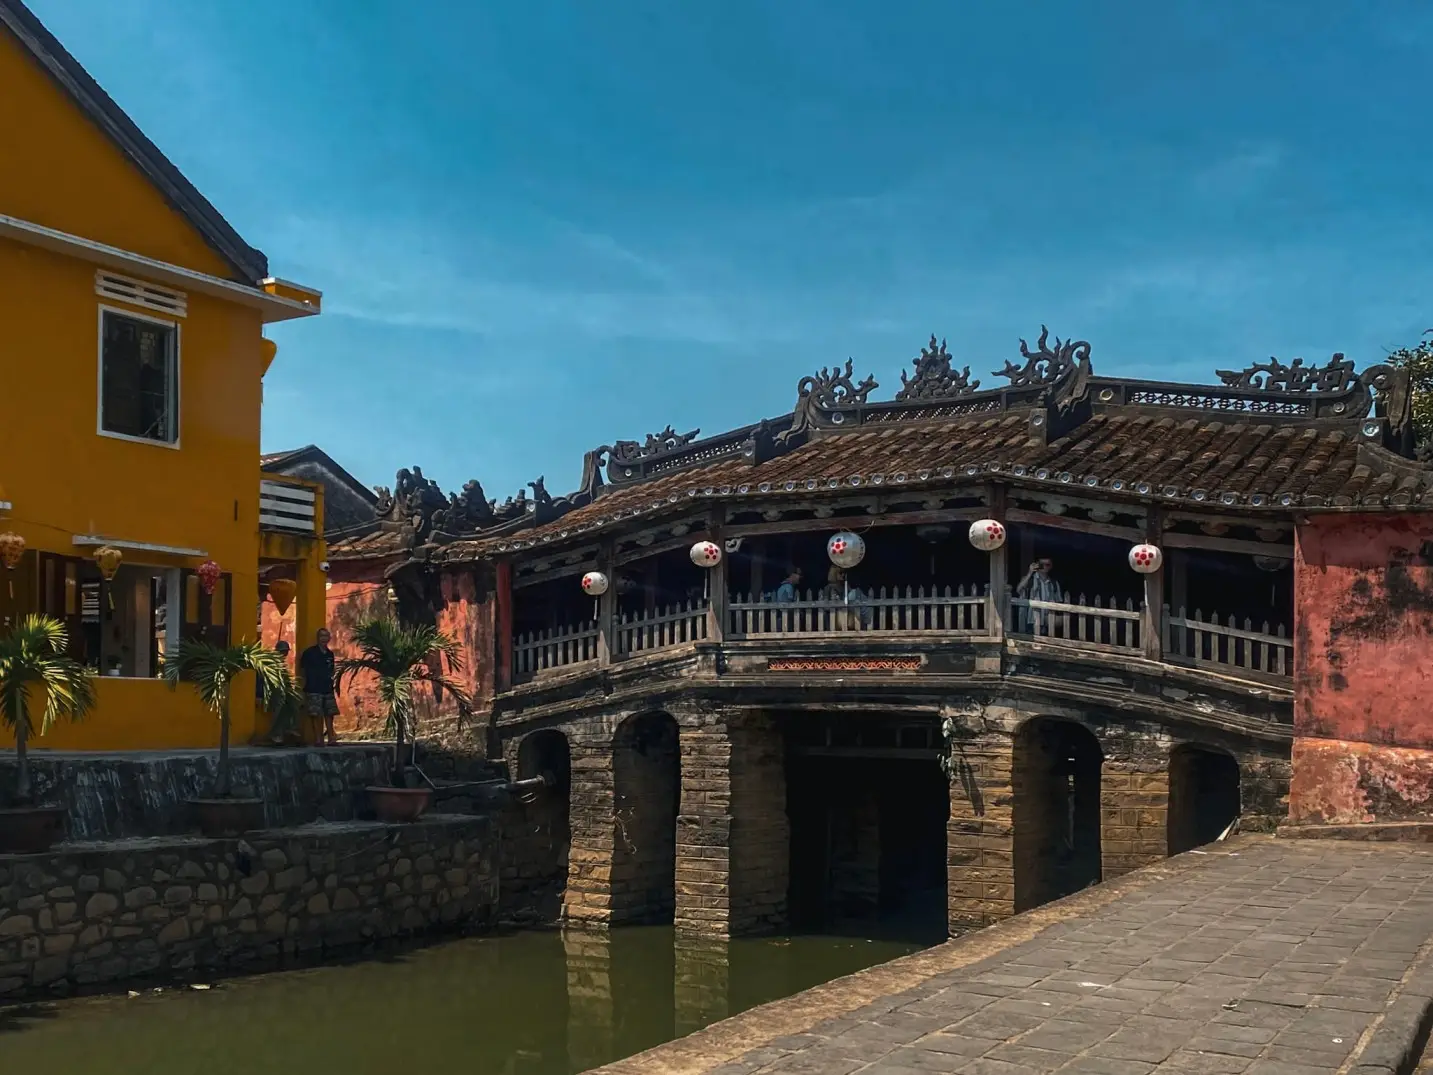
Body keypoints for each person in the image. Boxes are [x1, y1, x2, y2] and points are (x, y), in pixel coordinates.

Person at [298, 628, 339, 746]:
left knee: (330, 713)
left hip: (327, 688)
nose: (324, 639)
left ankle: (331, 738)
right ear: (318, 638)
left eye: (326, 636)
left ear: (329, 638)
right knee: (315, 714)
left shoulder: (330, 654)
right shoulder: (309, 653)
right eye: (322, 636)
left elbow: (332, 669)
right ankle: (318, 739)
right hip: (313, 688)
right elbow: (302, 670)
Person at [262, 640, 298, 745]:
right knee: (278, 709)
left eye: (286, 652)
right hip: (273, 692)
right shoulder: (271, 663)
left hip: (283, 691)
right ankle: (274, 733)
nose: (284, 654)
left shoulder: (282, 664)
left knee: (293, 706)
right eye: (282, 651)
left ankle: (289, 729)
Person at [1016, 557, 1062, 635]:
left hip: (1048, 621)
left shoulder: (1054, 583)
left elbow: (1059, 602)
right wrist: (1030, 572)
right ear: (1037, 565)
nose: (1044, 567)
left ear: (1051, 567)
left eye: (1047, 565)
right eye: (1041, 564)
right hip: (1031, 620)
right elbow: (1018, 590)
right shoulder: (1029, 580)